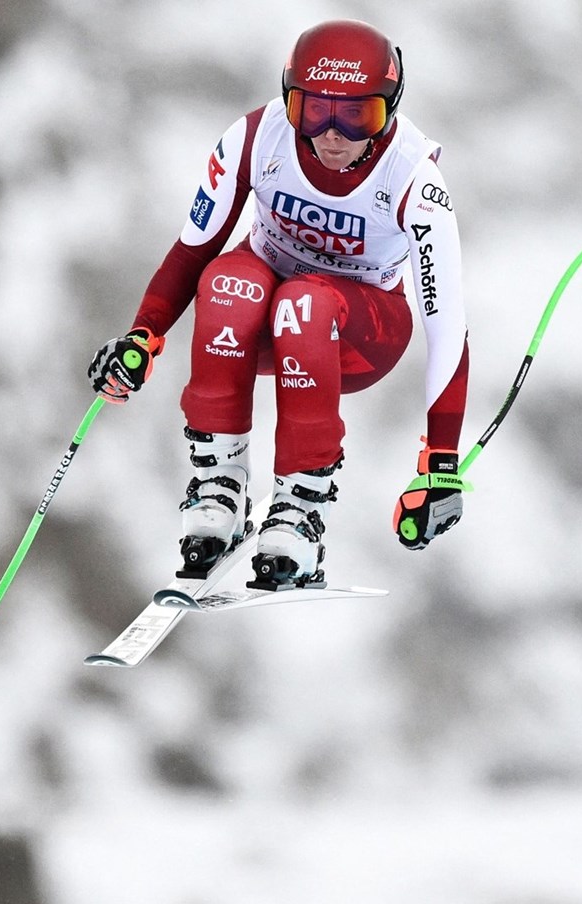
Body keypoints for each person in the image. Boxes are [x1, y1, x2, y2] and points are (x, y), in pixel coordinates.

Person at [87, 18, 468, 590]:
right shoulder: (256, 137)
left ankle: (302, 509)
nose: (332, 135)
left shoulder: (414, 178)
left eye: (358, 115)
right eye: (313, 111)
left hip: (360, 336)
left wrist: (441, 463)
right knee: (226, 281)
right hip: (264, 318)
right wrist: (143, 336)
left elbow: (448, 326)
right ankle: (218, 489)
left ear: (389, 109)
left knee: (304, 303)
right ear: (289, 100)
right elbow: (194, 249)